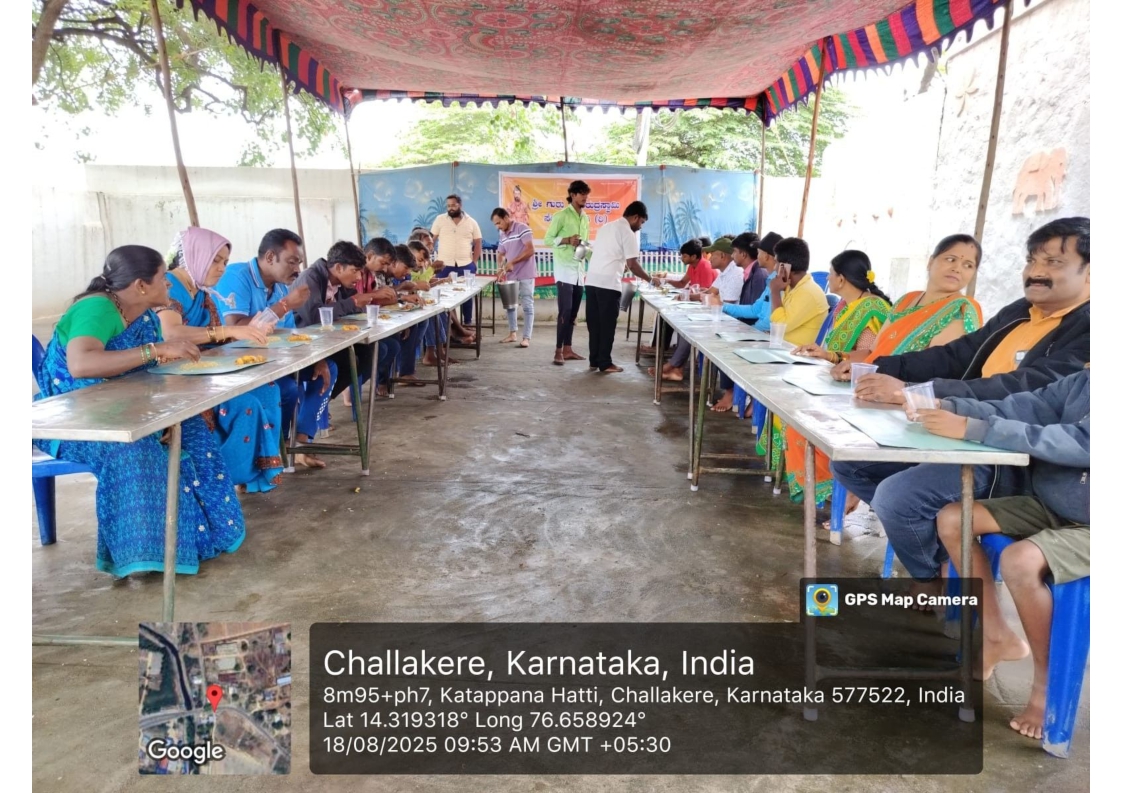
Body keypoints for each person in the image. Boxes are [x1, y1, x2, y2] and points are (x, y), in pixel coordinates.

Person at [831, 217, 1090, 598]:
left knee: (897, 498)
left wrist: (920, 394)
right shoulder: (1021, 310)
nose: (1036, 272)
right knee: (851, 462)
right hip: (961, 425)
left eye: (1053, 262)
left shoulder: (1089, 331)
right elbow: (958, 354)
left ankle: (928, 575)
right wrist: (885, 367)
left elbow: (1021, 390)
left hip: (1012, 455)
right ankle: (940, 550)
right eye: (1032, 260)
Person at [34, 245, 244, 577]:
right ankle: (144, 554)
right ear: (141, 286)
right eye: (163, 278)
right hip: (76, 418)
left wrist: (168, 405)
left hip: (126, 405)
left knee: (190, 429)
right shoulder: (97, 308)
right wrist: (154, 350)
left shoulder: (144, 315)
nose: (169, 284)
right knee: (136, 448)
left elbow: (146, 374)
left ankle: (202, 539)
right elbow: (81, 364)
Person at [924, 367, 1088, 741]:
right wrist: (949, 406)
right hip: (1055, 505)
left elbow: (1085, 441)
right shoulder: (1085, 381)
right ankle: (997, 635)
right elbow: (1024, 405)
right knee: (954, 519)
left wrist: (976, 429)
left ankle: (1046, 685)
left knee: (1020, 560)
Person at [157, 227, 286, 493]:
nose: (221, 269)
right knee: (245, 404)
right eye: (215, 260)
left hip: (203, 368)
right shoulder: (168, 285)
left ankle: (252, 477)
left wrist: (253, 329)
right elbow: (171, 333)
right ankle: (220, 477)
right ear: (195, 255)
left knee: (268, 389)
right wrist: (228, 331)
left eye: (225, 262)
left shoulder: (201, 291)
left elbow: (216, 339)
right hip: (175, 375)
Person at [214, 229, 334, 469]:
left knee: (327, 369)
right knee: (287, 389)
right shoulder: (237, 276)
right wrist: (285, 305)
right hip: (238, 363)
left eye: (299, 263)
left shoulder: (279, 288)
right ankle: (270, 451)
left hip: (270, 362)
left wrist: (316, 358)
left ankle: (299, 442)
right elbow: (236, 329)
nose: (297, 269)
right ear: (270, 257)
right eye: (292, 262)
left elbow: (288, 334)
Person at [781, 250, 893, 504]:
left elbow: (870, 355)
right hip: (836, 381)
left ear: (841, 278)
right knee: (791, 409)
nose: (828, 278)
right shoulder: (846, 305)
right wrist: (823, 353)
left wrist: (830, 356)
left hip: (859, 389)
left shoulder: (872, 307)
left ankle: (838, 489)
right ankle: (825, 488)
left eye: (831, 273)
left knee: (803, 419)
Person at [293, 240, 399, 400]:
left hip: (330, 337)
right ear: (338, 268)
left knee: (375, 350)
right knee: (348, 360)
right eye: (355, 271)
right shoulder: (311, 277)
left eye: (360, 272)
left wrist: (362, 300)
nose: (358, 277)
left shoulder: (341, 282)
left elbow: (356, 306)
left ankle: (325, 398)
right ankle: (318, 401)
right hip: (304, 342)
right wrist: (353, 302)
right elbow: (315, 317)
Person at [654, 238, 744, 383]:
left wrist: (695, 296)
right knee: (685, 320)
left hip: (728, 320)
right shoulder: (725, 272)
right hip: (717, 314)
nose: (709, 258)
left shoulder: (735, 273)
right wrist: (694, 296)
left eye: (712, 254)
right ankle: (676, 367)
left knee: (691, 326)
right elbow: (710, 292)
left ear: (722, 255)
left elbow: (725, 304)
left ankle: (675, 366)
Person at [584, 201, 655, 373]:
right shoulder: (627, 232)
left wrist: (621, 265)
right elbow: (633, 264)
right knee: (607, 325)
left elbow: (609, 255)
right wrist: (651, 280)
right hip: (608, 284)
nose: (640, 226)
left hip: (592, 282)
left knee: (595, 325)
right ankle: (605, 363)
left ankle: (594, 361)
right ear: (635, 217)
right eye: (642, 222)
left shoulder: (606, 227)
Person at [708, 233, 772, 413]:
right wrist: (723, 307)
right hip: (751, 326)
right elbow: (755, 309)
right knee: (718, 337)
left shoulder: (760, 275)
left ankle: (732, 392)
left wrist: (742, 329)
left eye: (734, 251)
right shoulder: (756, 274)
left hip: (759, 332)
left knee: (724, 343)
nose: (732, 255)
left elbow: (759, 316)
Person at [544, 180, 591, 365]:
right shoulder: (561, 216)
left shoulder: (585, 218)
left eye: (586, 194)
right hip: (564, 271)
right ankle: (558, 351)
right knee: (565, 311)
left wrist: (599, 261)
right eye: (582, 194)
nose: (585, 197)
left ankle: (568, 349)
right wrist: (566, 240)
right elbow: (548, 239)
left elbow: (584, 246)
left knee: (573, 313)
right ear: (573, 195)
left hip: (579, 271)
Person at [431, 194, 482, 326]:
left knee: (467, 295)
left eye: (453, 205)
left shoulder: (471, 222)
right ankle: (446, 327)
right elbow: (431, 240)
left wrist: (474, 262)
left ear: (460, 205)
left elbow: (478, 242)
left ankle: (467, 323)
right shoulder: (440, 220)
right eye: (448, 206)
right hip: (444, 265)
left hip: (466, 264)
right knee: (443, 294)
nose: (451, 208)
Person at [768, 237, 829, 347]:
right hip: (785, 349)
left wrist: (775, 292)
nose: (774, 267)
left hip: (798, 354)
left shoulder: (808, 292)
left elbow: (780, 326)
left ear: (786, 266)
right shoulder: (791, 287)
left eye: (776, 262)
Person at [492, 207, 536, 348]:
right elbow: (500, 253)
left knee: (527, 305)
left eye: (499, 222)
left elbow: (530, 250)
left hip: (526, 273)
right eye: (495, 224)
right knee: (510, 305)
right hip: (511, 275)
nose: (497, 226)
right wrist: (500, 268)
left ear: (506, 218)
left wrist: (512, 262)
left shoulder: (522, 228)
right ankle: (512, 334)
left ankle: (526, 338)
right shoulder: (503, 235)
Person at [721, 231, 783, 330]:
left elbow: (768, 323)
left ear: (766, 256)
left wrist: (748, 331)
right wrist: (722, 306)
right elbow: (755, 309)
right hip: (757, 332)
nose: (756, 256)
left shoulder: (776, 281)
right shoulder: (770, 279)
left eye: (759, 252)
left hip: (762, 335)